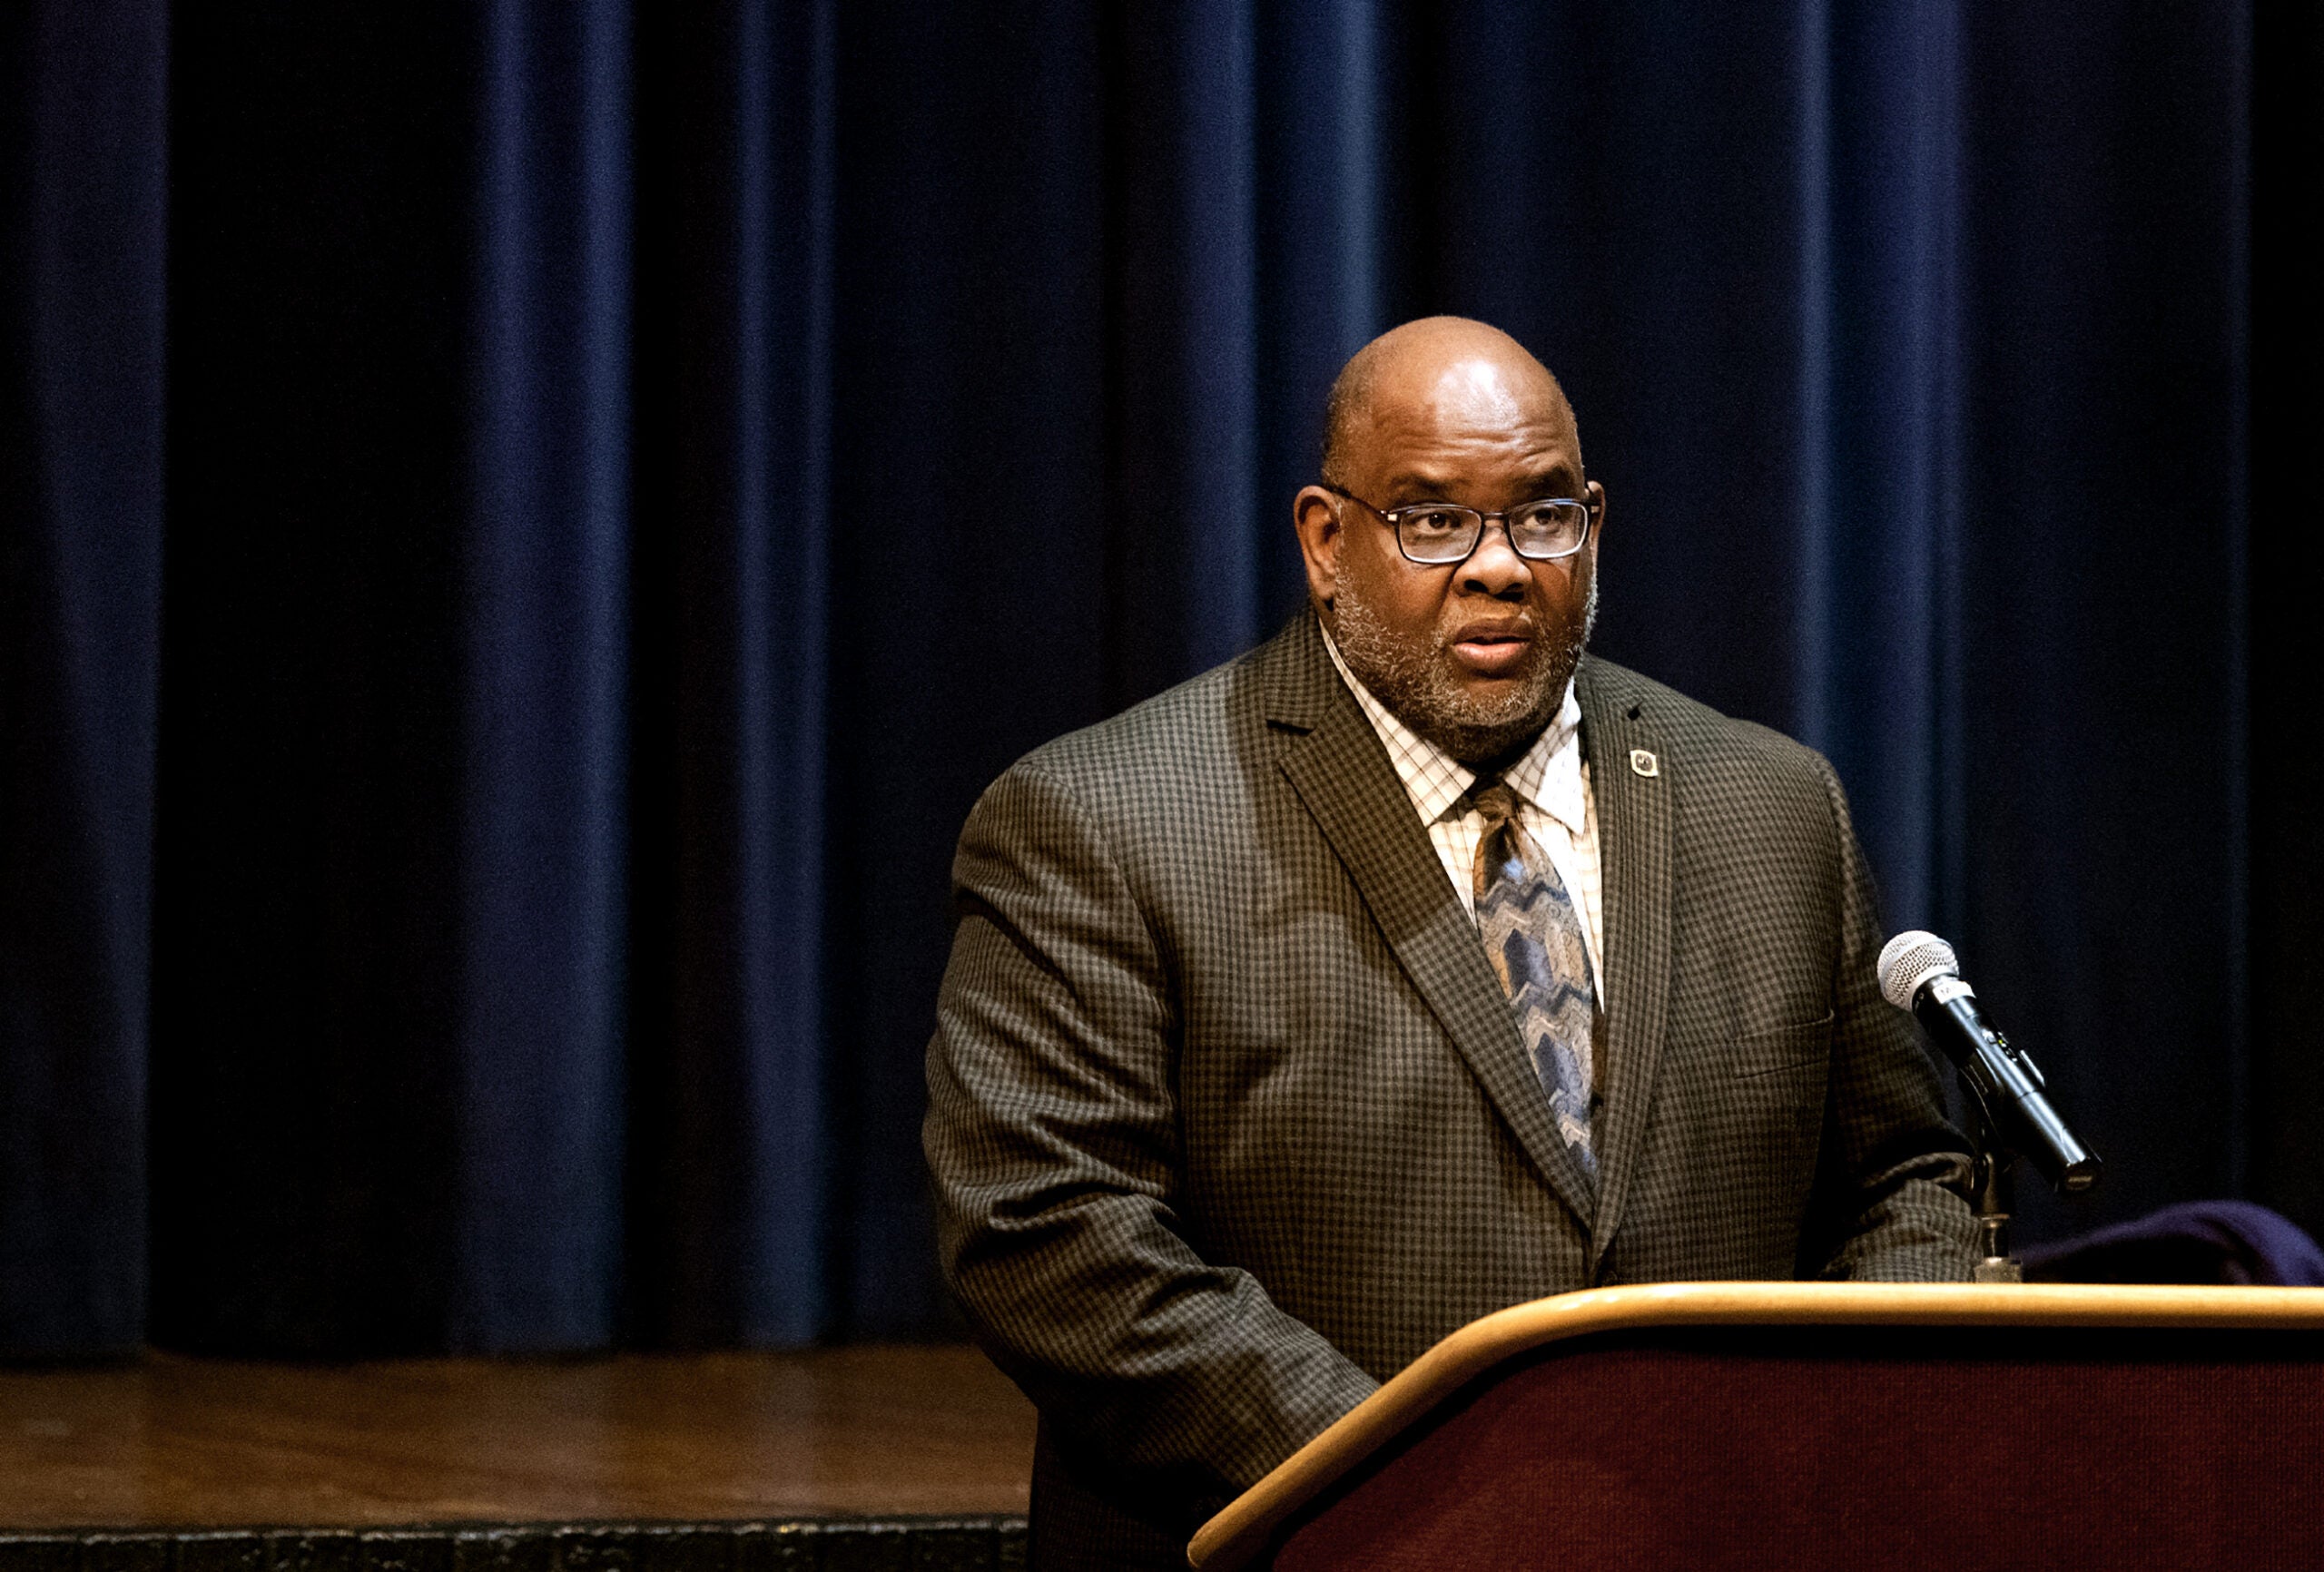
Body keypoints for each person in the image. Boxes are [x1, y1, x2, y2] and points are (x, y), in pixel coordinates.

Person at [924, 317, 1977, 1567]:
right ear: (1325, 540)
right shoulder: (1103, 820)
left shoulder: (1774, 804)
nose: (1499, 566)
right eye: (1432, 520)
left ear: (1593, 523)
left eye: (1542, 516)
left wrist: (1805, 1439)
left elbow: (1908, 1180)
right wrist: (1421, 1482)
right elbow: (1047, 1233)